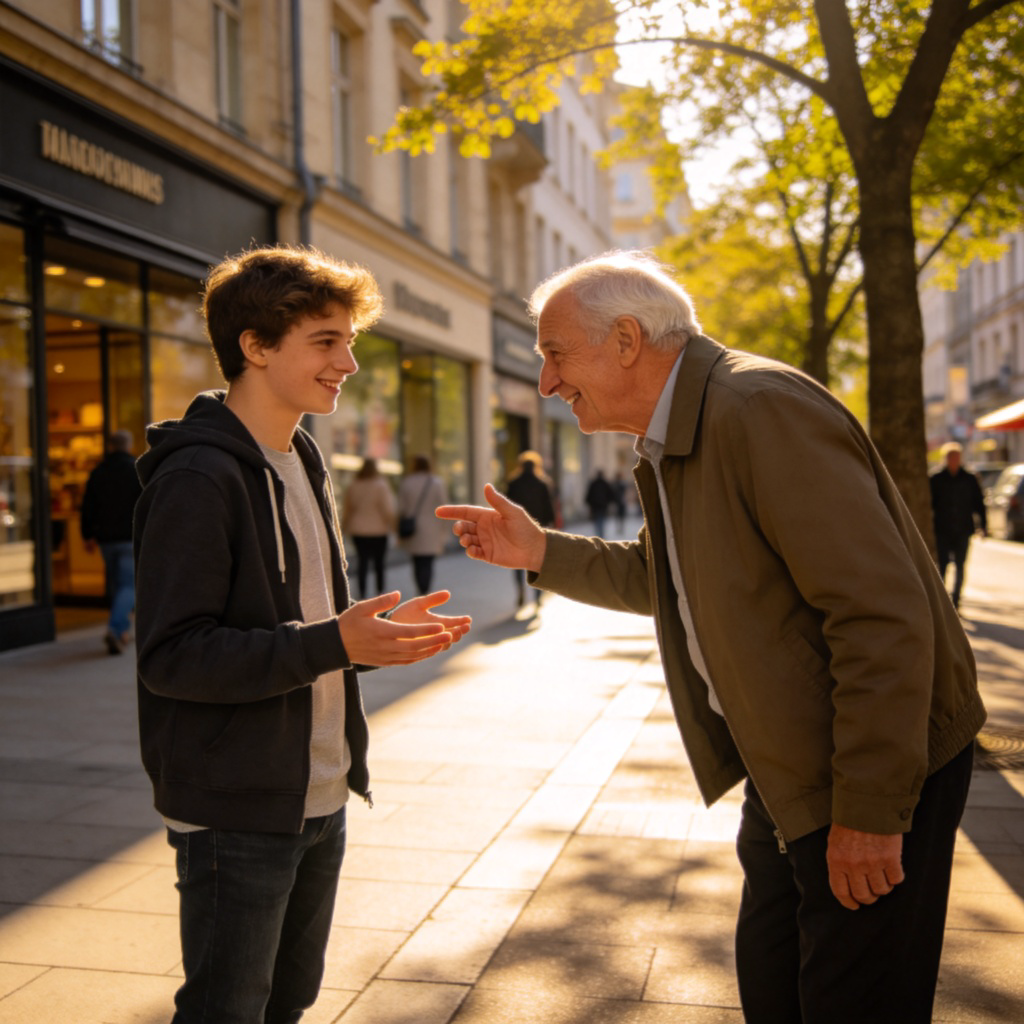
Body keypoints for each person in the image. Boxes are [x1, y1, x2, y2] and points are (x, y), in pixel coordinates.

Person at [437, 250, 985, 1024]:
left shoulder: (756, 409)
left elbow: (881, 617)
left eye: (556, 356)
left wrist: (869, 809)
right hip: (793, 766)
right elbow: (667, 578)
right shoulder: (686, 427)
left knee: (852, 1000)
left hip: (862, 766)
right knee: (777, 986)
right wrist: (538, 552)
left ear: (626, 340)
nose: (547, 384)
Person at [133, 245, 471, 1024]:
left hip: (319, 792)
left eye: (349, 341)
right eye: (327, 341)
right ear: (254, 346)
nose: (348, 362)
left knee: (288, 1004)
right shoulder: (198, 478)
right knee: (227, 1010)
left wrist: (369, 639)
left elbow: (304, 622)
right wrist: (333, 644)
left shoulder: (302, 457)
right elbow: (172, 657)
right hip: (237, 806)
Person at [80, 428, 143, 655]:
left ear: (110, 446)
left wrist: (87, 535)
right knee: (128, 585)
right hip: (129, 537)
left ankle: (122, 630)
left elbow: (88, 506)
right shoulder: (136, 469)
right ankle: (116, 630)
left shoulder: (98, 472)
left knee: (118, 584)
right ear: (128, 445)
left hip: (106, 539)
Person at [930, 441, 987, 610]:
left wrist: (983, 525)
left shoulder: (969, 478)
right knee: (943, 565)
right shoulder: (936, 478)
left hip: (963, 529)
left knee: (961, 566)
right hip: (942, 529)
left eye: (956, 457)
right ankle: (942, 602)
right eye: (951, 457)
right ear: (946, 459)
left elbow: (979, 503)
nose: (954, 460)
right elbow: (929, 504)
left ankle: (956, 602)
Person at [504, 450, 556, 608]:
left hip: (517, 528)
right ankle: (537, 595)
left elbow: (507, 505)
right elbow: (548, 506)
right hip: (537, 528)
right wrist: (550, 524)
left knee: (517, 561)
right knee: (536, 562)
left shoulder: (513, 483)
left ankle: (520, 590)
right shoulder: (542, 483)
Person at [342, 456, 396, 599]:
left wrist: (343, 527)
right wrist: (393, 526)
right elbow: (387, 510)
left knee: (362, 562)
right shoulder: (381, 485)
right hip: (379, 530)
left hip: (358, 530)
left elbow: (348, 509)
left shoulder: (353, 485)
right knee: (379, 563)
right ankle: (380, 593)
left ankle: (362, 593)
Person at [397, 454, 449, 595]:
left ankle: (420, 589)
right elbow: (444, 506)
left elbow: (400, 508)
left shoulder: (407, 482)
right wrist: (444, 531)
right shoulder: (436, 482)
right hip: (433, 527)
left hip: (414, 528)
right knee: (428, 563)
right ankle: (425, 590)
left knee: (417, 562)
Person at [584, 467, 616, 537]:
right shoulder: (605, 483)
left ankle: (598, 534)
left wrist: (589, 503)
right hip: (603, 506)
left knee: (597, 521)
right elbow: (611, 494)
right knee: (601, 520)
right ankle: (600, 535)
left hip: (595, 506)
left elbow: (589, 495)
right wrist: (609, 501)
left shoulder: (593, 483)